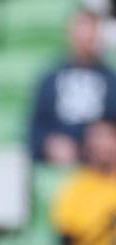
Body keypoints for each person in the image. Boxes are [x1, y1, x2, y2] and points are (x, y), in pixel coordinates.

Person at [28, 9, 116, 165]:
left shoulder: (110, 79)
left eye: (91, 32)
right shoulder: (50, 78)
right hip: (60, 162)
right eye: (81, 31)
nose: (86, 38)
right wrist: (49, 144)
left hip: (101, 163)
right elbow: (35, 127)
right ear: (70, 34)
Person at [52, 119, 116, 245]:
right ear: (87, 146)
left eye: (108, 137)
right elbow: (66, 239)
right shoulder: (76, 186)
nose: (102, 145)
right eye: (96, 138)